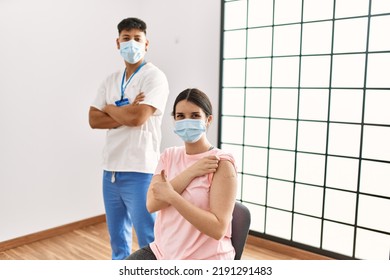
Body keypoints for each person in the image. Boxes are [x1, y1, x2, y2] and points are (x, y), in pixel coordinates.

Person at [89, 17, 169, 260]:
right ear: (118, 42)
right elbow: (94, 119)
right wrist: (124, 111)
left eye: (137, 39)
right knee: (118, 242)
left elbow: (139, 117)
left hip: (141, 171)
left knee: (149, 239)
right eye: (126, 38)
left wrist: (110, 108)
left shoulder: (154, 77)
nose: (131, 43)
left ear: (146, 44)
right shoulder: (110, 80)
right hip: (110, 171)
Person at [127, 88, 238, 260]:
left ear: (208, 120)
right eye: (181, 116)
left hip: (205, 258)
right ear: (174, 119)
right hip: (163, 251)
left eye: (195, 116)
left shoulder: (221, 163)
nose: (187, 121)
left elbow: (218, 229)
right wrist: (191, 172)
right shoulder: (169, 155)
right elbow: (152, 204)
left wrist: (172, 196)